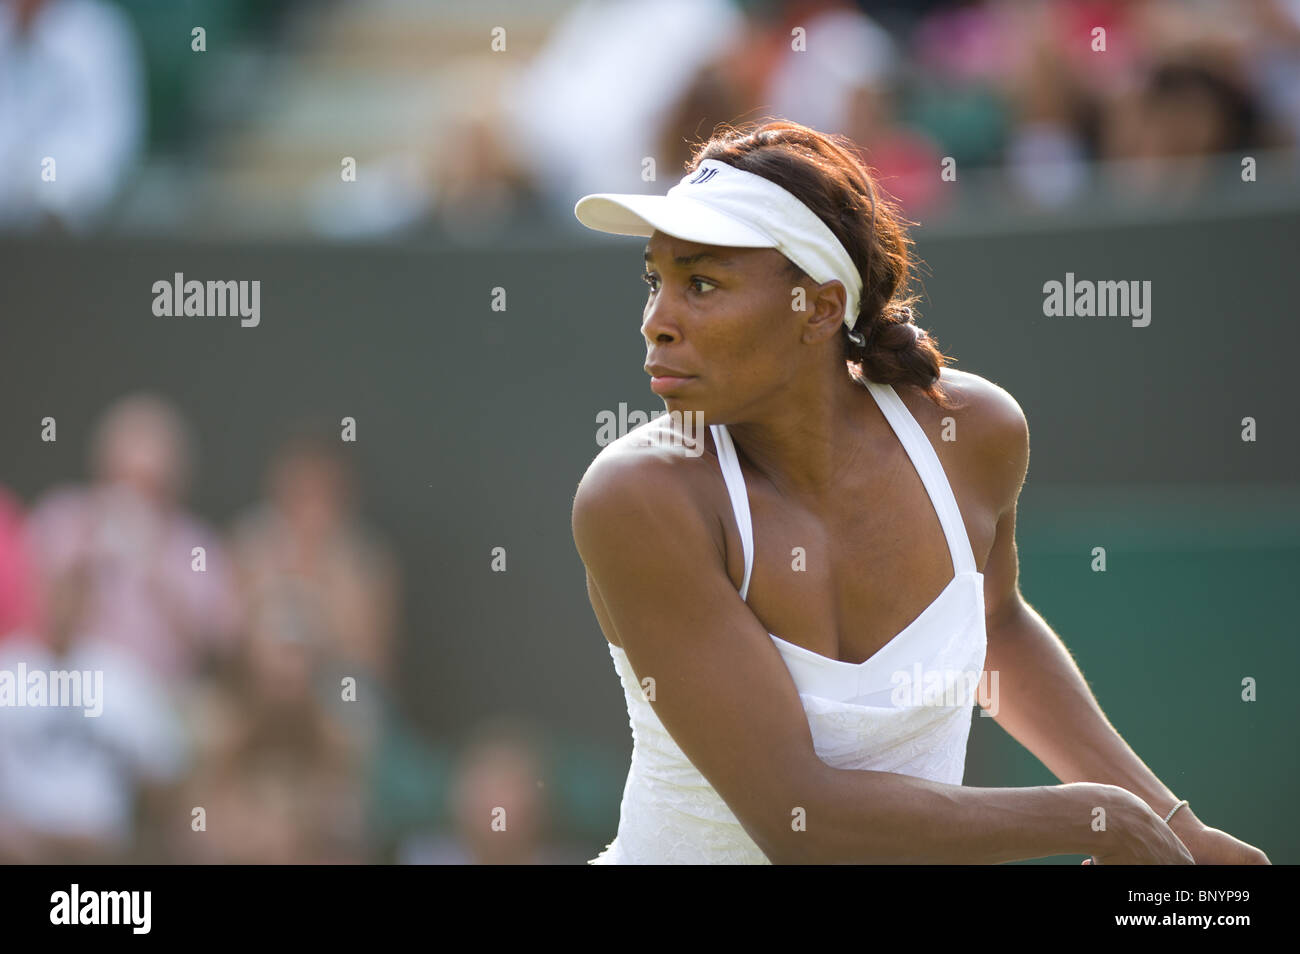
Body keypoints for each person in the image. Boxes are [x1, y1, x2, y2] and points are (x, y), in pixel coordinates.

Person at [568, 119, 1270, 865]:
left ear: (822, 307)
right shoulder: (636, 496)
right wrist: (1095, 818)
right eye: (655, 280)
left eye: (700, 284)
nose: (656, 323)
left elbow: (995, 629)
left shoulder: (975, 435)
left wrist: (1172, 825)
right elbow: (803, 821)